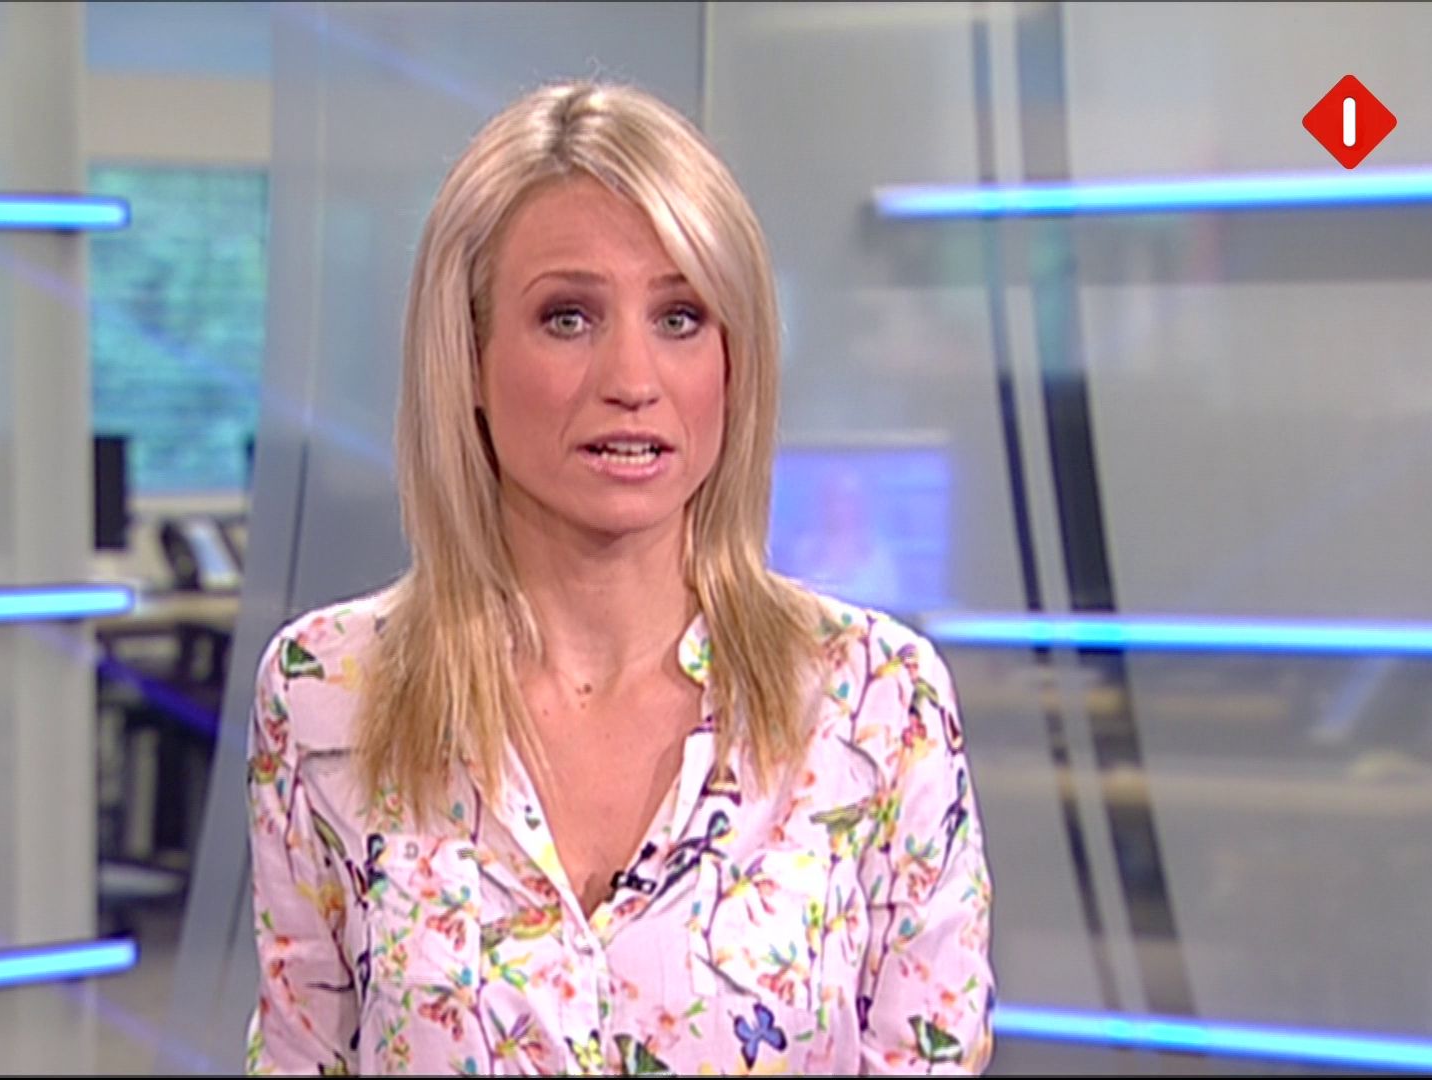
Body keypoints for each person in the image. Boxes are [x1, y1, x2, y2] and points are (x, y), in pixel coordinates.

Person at [245, 80, 993, 1076]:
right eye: (568, 318)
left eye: (680, 317)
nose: (633, 380)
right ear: (466, 358)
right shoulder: (326, 693)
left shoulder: (878, 702)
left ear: (735, 361)